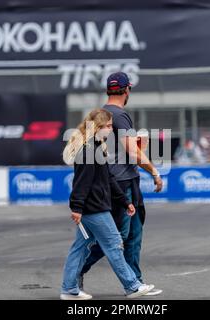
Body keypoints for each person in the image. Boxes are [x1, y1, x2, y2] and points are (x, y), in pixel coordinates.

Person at [79, 72, 163, 296]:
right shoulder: (120, 115)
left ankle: (136, 282)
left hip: (121, 180)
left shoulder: (101, 113)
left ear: (109, 90)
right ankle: (78, 268)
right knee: (119, 237)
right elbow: (131, 151)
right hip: (120, 184)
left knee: (134, 234)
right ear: (127, 91)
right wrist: (154, 171)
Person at [60, 109, 154, 300]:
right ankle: (132, 285)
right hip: (94, 208)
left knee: (80, 247)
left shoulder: (96, 147)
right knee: (114, 243)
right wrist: (77, 207)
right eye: (108, 126)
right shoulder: (88, 150)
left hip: (93, 207)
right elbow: (81, 183)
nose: (111, 130)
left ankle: (69, 289)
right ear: (97, 127)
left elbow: (109, 179)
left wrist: (125, 201)